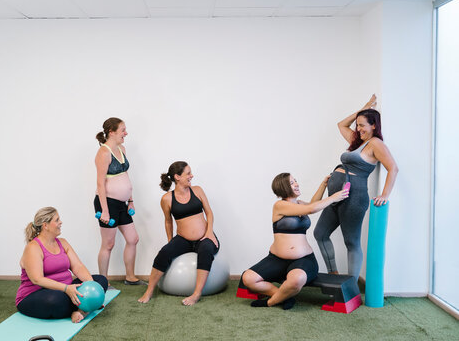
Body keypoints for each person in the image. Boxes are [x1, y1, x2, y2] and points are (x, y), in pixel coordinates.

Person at [313, 94, 398, 280]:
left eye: (362, 125)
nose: (358, 129)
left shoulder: (375, 144)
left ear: (373, 125)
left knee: (351, 241)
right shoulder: (357, 141)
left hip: (355, 196)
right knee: (320, 233)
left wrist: (385, 195)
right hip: (336, 194)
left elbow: (393, 168)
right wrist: (363, 108)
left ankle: (351, 284)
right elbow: (341, 125)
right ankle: (334, 274)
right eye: (357, 125)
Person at [242, 173, 349, 309]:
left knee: (296, 279)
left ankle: (270, 302)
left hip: (304, 259)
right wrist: (333, 198)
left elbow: (312, 204)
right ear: (283, 187)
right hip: (276, 259)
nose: (297, 184)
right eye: (292, 183)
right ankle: (284, 296)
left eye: (296, 181)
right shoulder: (280, 205)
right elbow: (311, 209)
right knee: (248, 278)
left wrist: (323, 185)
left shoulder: (299, 204)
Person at [138, 161, 219, 306]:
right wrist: (170, 241)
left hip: (204, 237)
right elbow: (168, 221)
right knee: (164, 253)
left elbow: (209, 213)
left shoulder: (198, 190)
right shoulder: (167, 199)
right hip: (183, 239)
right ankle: (149, 291)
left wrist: (210, 232)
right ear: (177, 177)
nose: (191, 176)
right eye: (188, 173)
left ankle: (196, 294)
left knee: (206, 250)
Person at [15, 207, 108, 323]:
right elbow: (37, 279)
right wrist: (66, 289)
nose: (61, 222)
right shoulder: (33, 248)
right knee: (56, 300)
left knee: (100, 280)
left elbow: (78, 267)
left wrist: (93, 289)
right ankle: (86, 306)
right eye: (57, 220)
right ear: (45, 225)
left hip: (67, 289)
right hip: (36, 294)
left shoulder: (63, 242)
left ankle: (81, 311)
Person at [95, 117, 144, 285]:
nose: (126, 133)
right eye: (123, 130)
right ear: (112, 132)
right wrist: (105, 210)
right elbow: (100, 183)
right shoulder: (104, 152)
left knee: (133, 239)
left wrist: (130, 200)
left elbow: (125, 175)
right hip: (107, 203)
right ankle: (104, 281)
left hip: (122, 204)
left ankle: (130, 277)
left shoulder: (122, 148)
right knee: (108, 244)